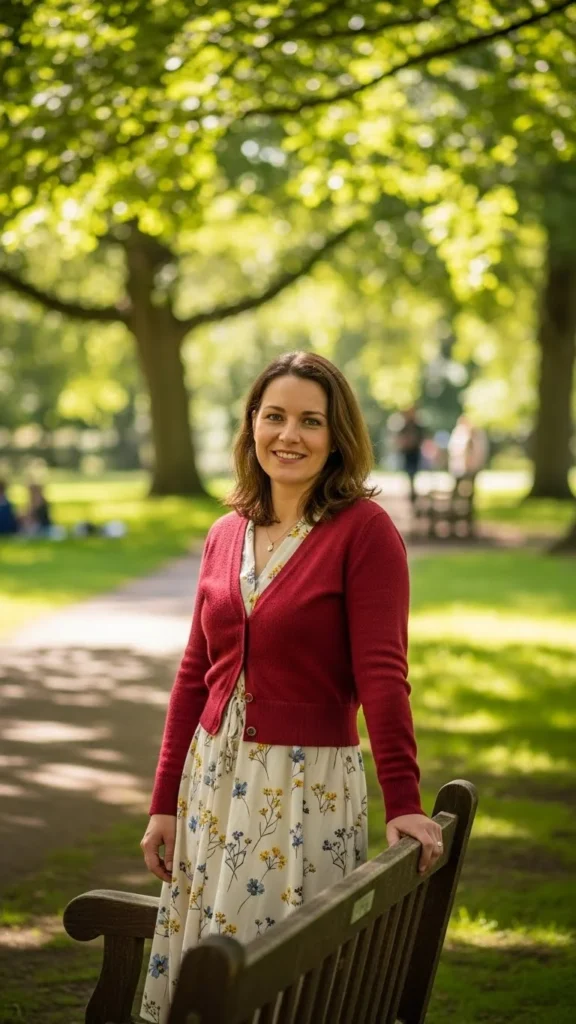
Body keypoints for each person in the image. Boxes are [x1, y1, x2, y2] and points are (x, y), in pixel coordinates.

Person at [140, 352, 443, 1023]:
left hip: (303, 786)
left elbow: (385, 675)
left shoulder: (365, 534)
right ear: (252, 425)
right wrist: (163, 801)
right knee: (211, 975)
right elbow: (195, 675)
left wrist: (404, 800)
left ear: (338, 437)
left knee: (281, 987)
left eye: (311, 421)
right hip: (212, 782)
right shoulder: (225, 534)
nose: (290, 435)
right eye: (274, 416)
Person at [448, 415, 489, 486]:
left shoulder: (477, 434)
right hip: (460, 464)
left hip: (473, 464)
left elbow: (480, 450)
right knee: (458, 481)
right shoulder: (459, 434)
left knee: (471, 482)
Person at [396, 406, 425, 504]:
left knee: (413, 472)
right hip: (408, 452)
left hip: (415, 452)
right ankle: (411, 491)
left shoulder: (417, 426)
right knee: (409, 472)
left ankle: (412, 491)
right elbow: (399, 437)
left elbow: (422, 437)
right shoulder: (405, 426)